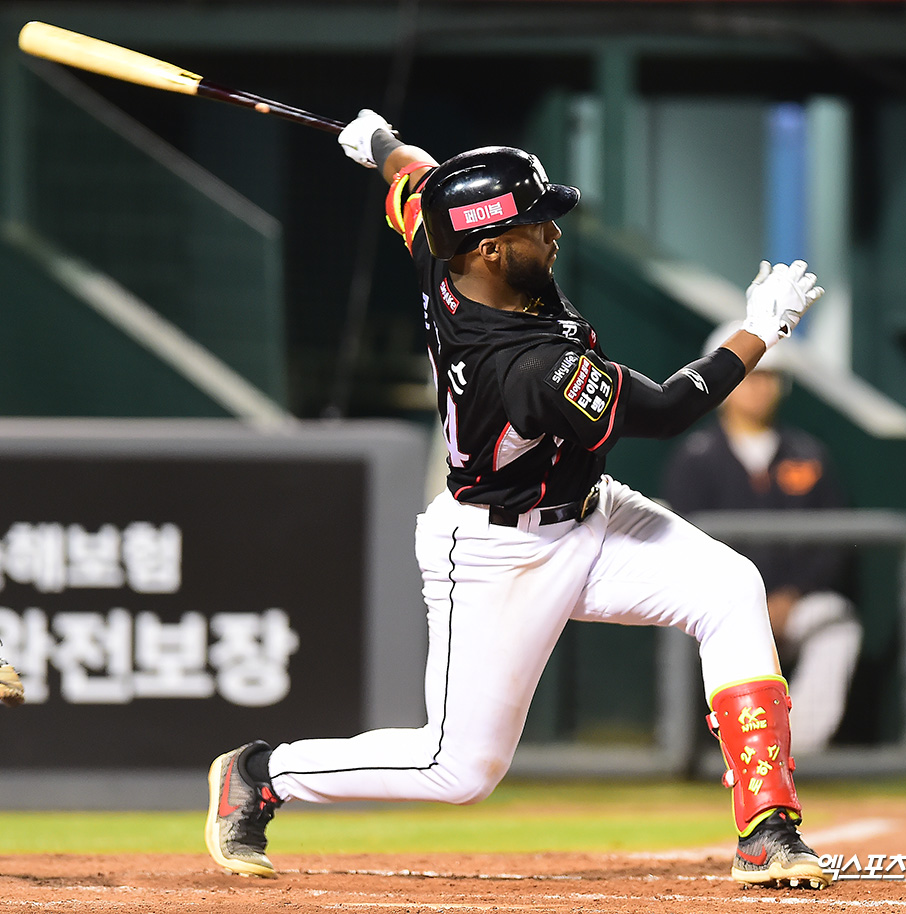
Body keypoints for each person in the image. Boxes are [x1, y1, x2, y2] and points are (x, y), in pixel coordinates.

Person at [204, 109, 832, 890]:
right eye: (537, 226)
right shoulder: (528, 368)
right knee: (459, 770)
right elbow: (670, 409)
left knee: (730, 587)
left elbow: (416, 181)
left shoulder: (447, 251)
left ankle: (767, 829)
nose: (553, 234)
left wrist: (382, 144)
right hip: (499, 552)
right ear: (492, 250)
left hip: (592, 512)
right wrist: (759, 330)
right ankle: (262, 774)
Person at [662, 322, 862, 755]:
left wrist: (793, 595)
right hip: (718, 607)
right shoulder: (695, 458)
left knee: (836, 622)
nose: (758, 388)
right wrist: (744, 601)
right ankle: (718, 748)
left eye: (768, 377)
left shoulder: (808, 453)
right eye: (749, 377)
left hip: (795, 604)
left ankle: (794, 750)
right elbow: (683, 547)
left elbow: (834, 542)